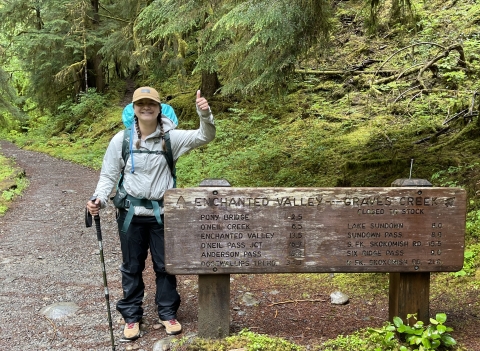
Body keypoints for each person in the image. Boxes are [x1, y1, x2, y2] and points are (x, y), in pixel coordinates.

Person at [86, 87, 215, 340]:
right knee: (131, 266)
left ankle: (167, 313)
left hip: (163, 213)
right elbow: (109, 175)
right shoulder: (121, 140)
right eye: (141, 103)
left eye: (151, 103)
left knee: (165, 266)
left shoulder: (172, 138)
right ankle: (132, 316)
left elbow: (205, 136)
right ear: (133, 108)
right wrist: (98, 198)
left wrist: (205, 114)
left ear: (159, 108)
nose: (146, 107)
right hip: (130, 214)